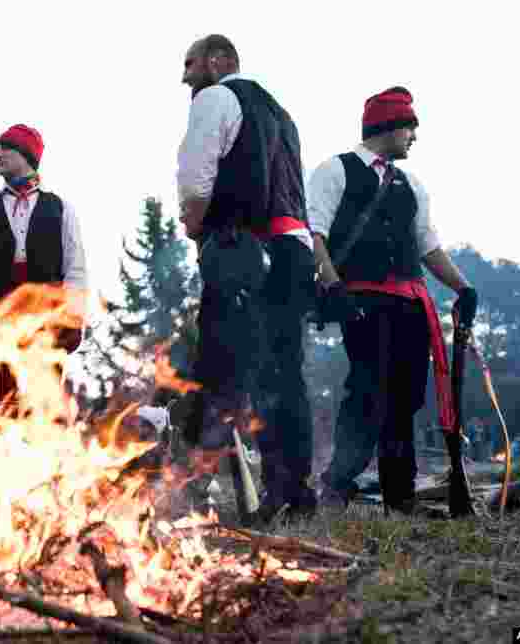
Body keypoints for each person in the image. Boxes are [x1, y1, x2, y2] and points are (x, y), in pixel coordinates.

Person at [309, 87, 479, 516]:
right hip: (362, 301)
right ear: (387, 126)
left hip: (410, 306)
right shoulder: (335, 170)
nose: (414, 137)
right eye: (409, 128)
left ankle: (400, 498)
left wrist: (464, 288)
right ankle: (336, 487)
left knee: (406, 399)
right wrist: (334, 287)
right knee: (368, 391)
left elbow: (428, 246)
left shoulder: (412, 184)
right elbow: (315, 234)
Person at [175, 34, 317, 522]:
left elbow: (195, 179)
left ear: (219, 60)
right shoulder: (282, 114)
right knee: (283, 374)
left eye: (191, 64)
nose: (185, 77)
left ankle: (188, 493)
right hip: (293, 251)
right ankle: (291, 493)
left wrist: (197, 229)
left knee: (219, 368)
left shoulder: (216, 97)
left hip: (242, 249)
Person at [0, 124, 88, 401]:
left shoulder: (60, 207)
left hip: (46, 322)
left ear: (27, 155)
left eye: (6, 148)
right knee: (0, 404)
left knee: (41, 403)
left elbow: (75, 268)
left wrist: (73, 316)